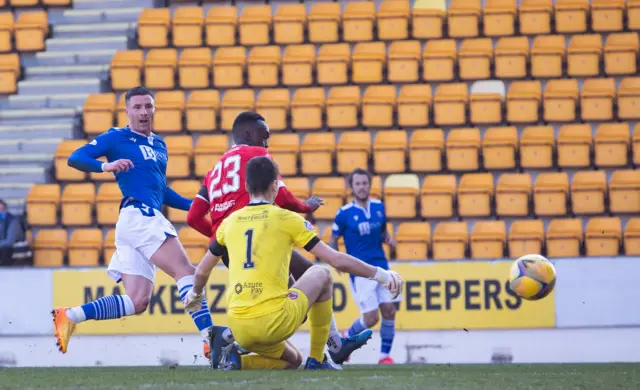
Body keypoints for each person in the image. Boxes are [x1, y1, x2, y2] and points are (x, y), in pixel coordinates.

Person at [186, 111, 373, 367]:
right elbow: (281, 195)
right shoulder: (255, 156)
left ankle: (331, 345)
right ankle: (231, 338)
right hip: (258, 235)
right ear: (250, 134)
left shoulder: (213, 171)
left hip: (237, 242)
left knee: (305, 283)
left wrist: (223, 242)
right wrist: (306, 206)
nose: (267, 143)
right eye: (265, 137)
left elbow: (194, 217)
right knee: (306, 291)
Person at [52, 86, 218, 359]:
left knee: (138, 301)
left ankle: (70, 316)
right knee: (185, 271)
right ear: (127, 110)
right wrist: (106, 166)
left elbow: (161, 190)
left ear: (154, 109)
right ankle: (210, 337)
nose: (144, 112)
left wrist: (197, 205)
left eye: (148, 106)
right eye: (138, 107)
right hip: (139, 216)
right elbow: (75, 158)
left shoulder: (160, 144)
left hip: (136, 220)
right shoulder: (117, 137)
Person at [330, 168, 401, 365]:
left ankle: (384, 356)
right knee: (371, 319)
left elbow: (381, 234)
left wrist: (388, 240)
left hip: (382, 266)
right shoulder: (344, 213)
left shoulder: (379, 207)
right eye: (358, 183)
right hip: (360, 270)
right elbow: (333, 239)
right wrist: (336, 260)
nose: (362, 187)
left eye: (365, 183)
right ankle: (346, 338)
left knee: (389, 311)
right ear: (351, 187)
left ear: (370, 185)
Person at [0, 199, 23, 265]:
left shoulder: (13, 221)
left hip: (14, 249)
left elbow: (9, 242)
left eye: (2, 209)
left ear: (6, 210)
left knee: (5, 250)